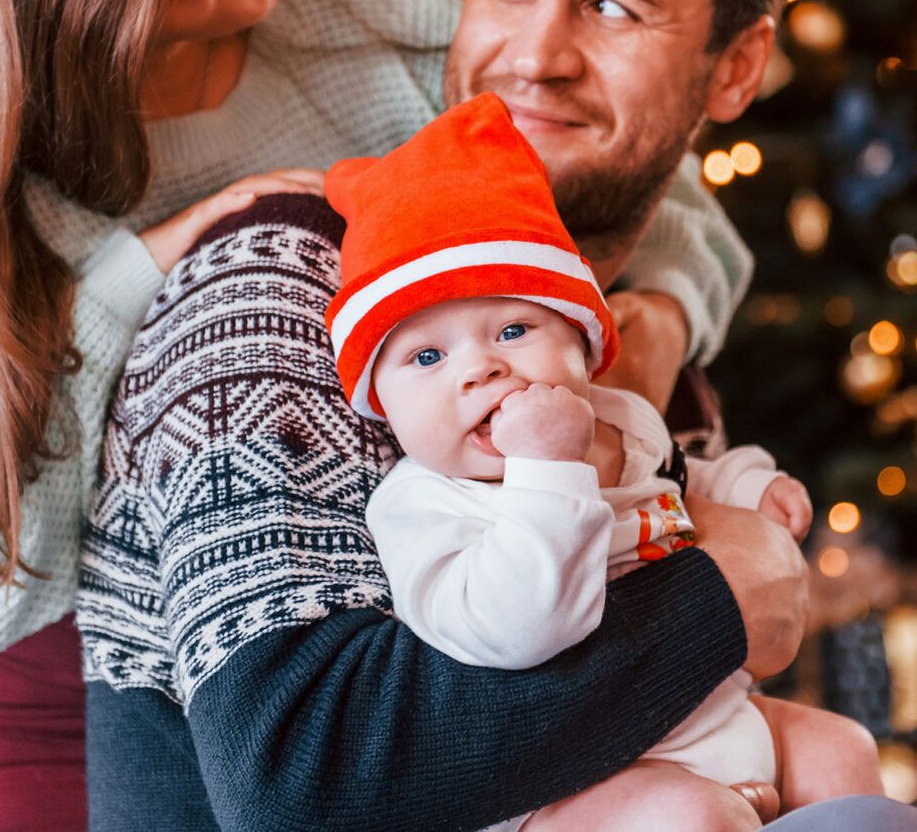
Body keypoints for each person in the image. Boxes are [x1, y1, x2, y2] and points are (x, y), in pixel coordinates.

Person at [79, 0, 917, 830]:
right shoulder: (285, 283)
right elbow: (292, 785)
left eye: (607, 6)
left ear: (736, 67)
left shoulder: (634, 339)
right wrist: (713, 600)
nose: (534, 56)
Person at [0, 0, 750, 827]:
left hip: (380, 643)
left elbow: (645, 185)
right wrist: (137, 273)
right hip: (72, 704)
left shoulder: (375, 37)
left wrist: (656, 320)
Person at [327, 92, 884, 829]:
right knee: (689, 816)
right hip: (578, 782)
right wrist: (548, 470)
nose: (482, 370)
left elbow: (686, 483)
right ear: (382, 404)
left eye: (516, 327)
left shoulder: (620, 419)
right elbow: (522, 628)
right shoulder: (423, 504)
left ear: (582, 341)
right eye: (427, 355)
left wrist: (754, 487)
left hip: (711, 717)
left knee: (842, 746)